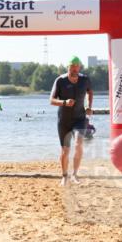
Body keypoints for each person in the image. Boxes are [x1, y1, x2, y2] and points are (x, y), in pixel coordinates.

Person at [49, 56, 93, 187]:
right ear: (68, 68)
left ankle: (75, 175)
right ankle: (64, 176)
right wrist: (64, 102)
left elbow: (90, 92)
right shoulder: (60, 81)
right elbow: (51, 100)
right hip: (64, 121)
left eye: (76, 67)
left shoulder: (85, 80)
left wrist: (89, 106)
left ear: (79, 67)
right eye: (72, 67)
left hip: (80, 119)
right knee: (65, 150)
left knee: (79, 144)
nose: (74, 69)